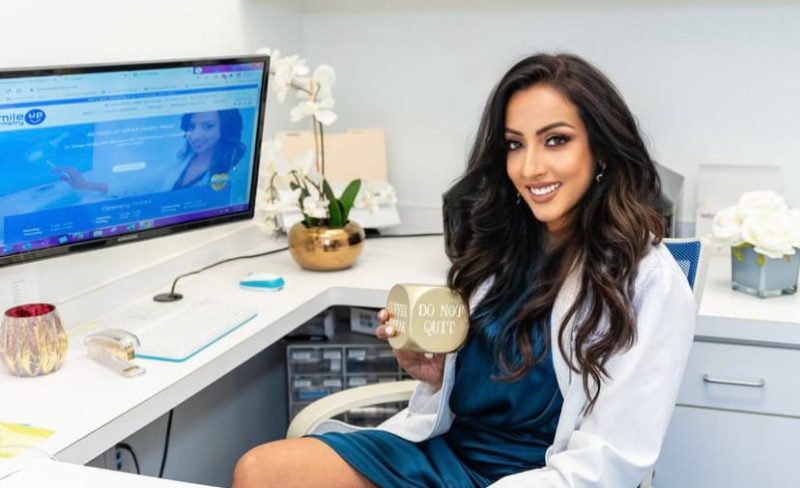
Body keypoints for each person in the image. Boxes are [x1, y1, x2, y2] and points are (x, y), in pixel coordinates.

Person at [232, 53, 696, 487]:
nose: (530, 167)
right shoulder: (503, 247)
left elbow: (612, 459)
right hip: (445, 454)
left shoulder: (649, 281)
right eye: (515, 144)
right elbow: (474, 388)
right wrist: (436, 374)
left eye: (556, 140)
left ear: (603, 150)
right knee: (260, 471)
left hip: (541, 476)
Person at [55, 109, 246, 195]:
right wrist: (87, 185)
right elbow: (141, 185)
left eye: (208, 126)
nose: (195, 135)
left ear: (224, 128)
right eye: (192, 126)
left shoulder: (236, 165)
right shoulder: (182, 158)